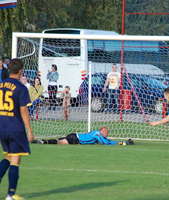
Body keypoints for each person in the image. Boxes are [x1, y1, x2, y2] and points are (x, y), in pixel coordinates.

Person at [0, 59, 34, 200]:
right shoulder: (21, 88)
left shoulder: (1, 85)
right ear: (20, 71)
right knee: (16, 160)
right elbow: (24, 111)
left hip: (2, 127)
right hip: (15, 127)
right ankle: (11, 195)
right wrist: (29, 131)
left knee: (8, 156)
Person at [32, 127, 134, 146]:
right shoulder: (97, 134)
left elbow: (105, 140)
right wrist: (122, 143)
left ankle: (42, 141)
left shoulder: (96, 134)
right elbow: (106, 142)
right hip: (75, 138)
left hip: (74, 136)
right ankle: (42, 142)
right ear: (102, 131)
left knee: (59, 141)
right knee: (60, 143)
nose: (107, 134)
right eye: (106, 132)